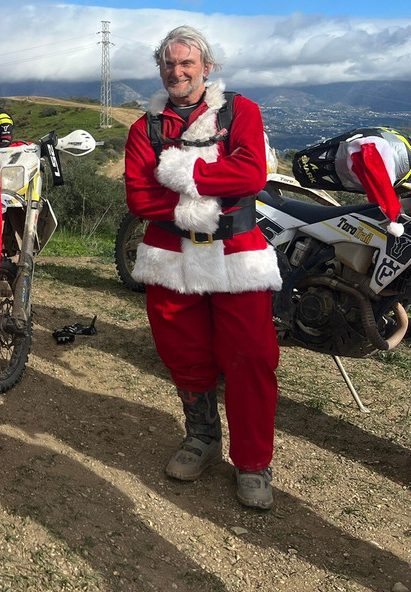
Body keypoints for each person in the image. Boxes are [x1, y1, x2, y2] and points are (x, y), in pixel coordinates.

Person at [124, 25, 282, 511]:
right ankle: (201, 438)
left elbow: (252, 174)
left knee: (251, 357)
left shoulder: (242, 112)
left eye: (187, 63)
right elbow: (139, 196)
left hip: (238, 253)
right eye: (169, 64)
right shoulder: (144, 128)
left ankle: (254, 462)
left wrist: (179, 173)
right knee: (184, 353)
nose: (177, 72)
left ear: (206, 68)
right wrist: (209, 188)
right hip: (171, 257)